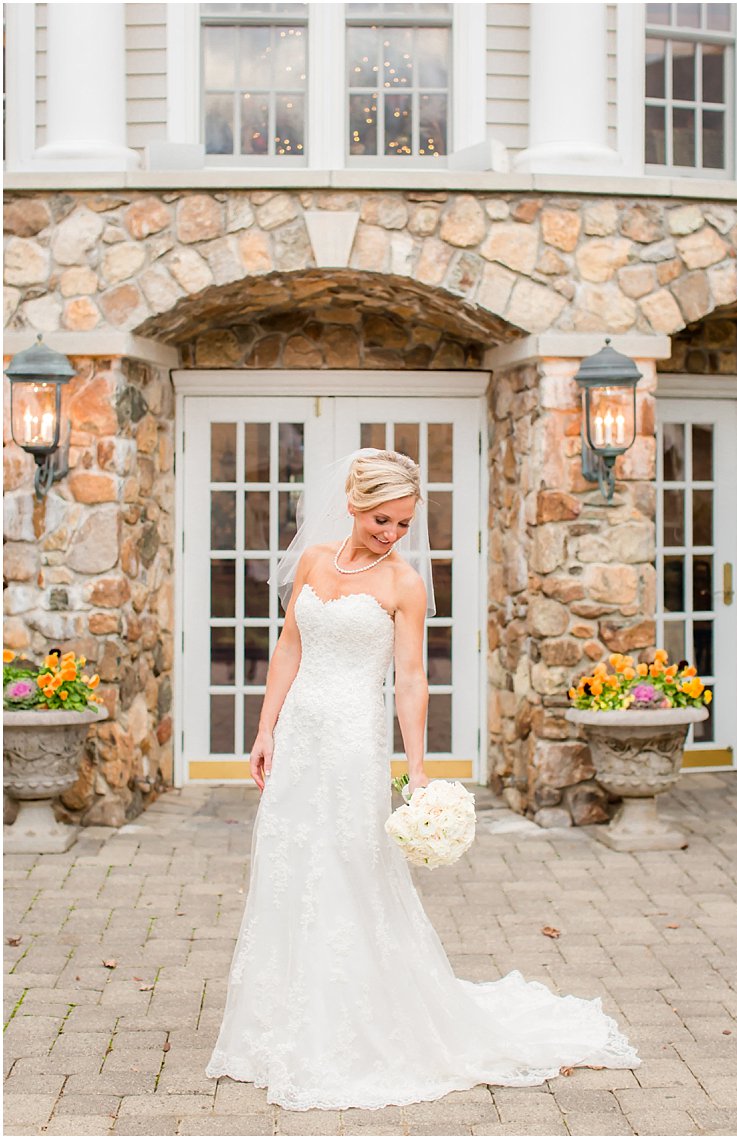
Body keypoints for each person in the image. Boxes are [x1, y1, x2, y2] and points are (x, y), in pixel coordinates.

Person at [206, 449, 638, 1111]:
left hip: (353, 739)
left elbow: (412, 680)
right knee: (293, 862)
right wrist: (265, 728)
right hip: (301, 732)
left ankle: (354, 1026)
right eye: (383, 518)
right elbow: (290, 645)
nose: (392, 532)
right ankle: (282, 1024)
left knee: (349, 867)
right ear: (352, 501)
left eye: (404, 522)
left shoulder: (404, 583)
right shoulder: (316, 562)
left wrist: (418, 769)